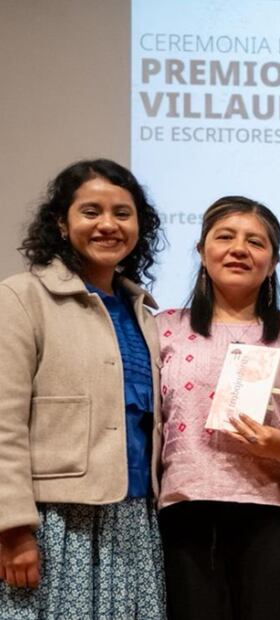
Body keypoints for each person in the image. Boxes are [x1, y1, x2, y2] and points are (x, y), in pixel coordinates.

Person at [0, 159, 167, 618]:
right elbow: (4, 423)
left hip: (133, 521)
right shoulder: (21, 297)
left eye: (122, 213)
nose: (108, 225)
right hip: (52, 523)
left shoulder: (142, 312)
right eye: (91, 211)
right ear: (61, 222)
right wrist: (12, 528)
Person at [155, 196, 280, 620]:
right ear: (202, 251)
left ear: (273, 261)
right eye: (225, 237)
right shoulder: (162, 329)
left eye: (255, 241)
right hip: (187, 512)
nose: (238, 249)